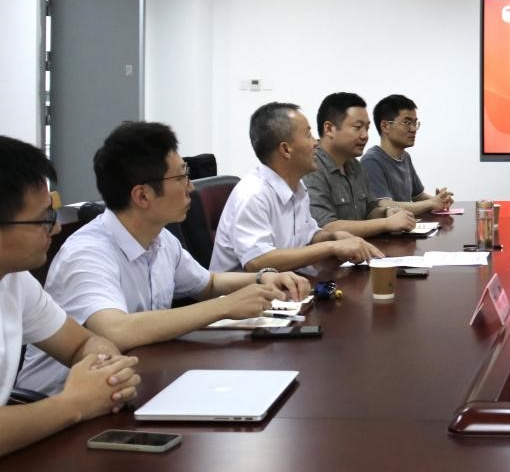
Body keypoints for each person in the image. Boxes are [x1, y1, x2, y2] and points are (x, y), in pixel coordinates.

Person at [19, 122, 311, 395]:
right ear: (142, 196)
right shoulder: (87, 253)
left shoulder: (160, 239)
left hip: (128, 386)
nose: (191, 187)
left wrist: (263, 277)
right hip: (54, 401)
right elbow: (115, 330)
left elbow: (207, 283)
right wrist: (225, 306)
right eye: (182, 177)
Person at [0, 136, 140, 457]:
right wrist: (76, 403)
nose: (55, 229)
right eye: (44, 219)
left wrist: (109, 374)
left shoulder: (14, 280)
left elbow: (81, 343)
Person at [211, 102, 384, 273]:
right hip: (247, 290)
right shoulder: (253, 194)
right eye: (308, 135)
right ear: (286, 149)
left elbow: (307, 236)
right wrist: (330, 247)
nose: (316, 143)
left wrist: (333, 237)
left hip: (289, 284)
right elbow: (257, 262)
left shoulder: (297, 186)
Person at [302, 93, 415, 236]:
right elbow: (325, 227)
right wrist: (386, 223)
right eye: (358, 127)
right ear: (329, 129)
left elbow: (370, 210)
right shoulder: (311, 167)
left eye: (367, 128)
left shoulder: (355, 165)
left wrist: (387, 213)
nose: (365, 136)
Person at [361, 94, 453, 216]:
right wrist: (431, 203)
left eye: (415, 123)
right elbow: (384, 205)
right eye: (407, 122)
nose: (413, 129)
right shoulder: (371, 161)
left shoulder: (405, 157)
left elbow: (418, 196)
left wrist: (440, 200)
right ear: (385, 126)